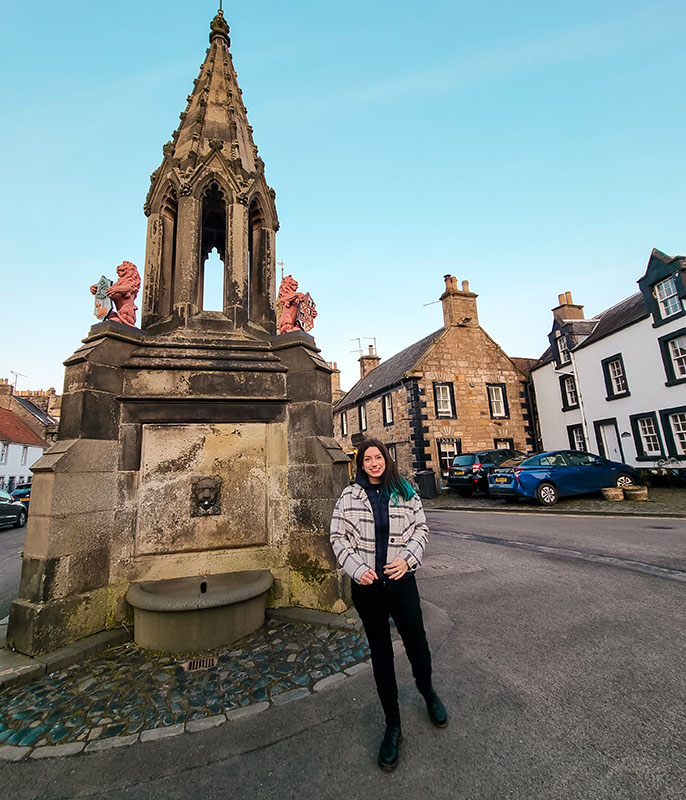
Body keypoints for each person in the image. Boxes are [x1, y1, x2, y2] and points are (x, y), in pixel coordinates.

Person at [330, 438, 447, 771]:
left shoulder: (405, 490)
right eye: (367, 459)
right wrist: (356, 569)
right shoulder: (349, 496)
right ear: (361, 464)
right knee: (381, 655)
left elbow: (420, 530)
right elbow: (337, 537)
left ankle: (427, 691)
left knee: (417, 645)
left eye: (378, 457)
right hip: (369, 589)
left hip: (402, 584)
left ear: (386, 459)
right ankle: (392, 725)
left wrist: (408, 560)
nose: (373, 463)